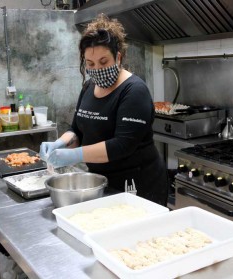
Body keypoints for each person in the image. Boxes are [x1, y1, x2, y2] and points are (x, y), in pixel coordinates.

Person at [40, 14, 169, 206]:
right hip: (103, 182)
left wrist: (75, 155)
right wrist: (60, 143)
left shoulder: (134, 91)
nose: (97, 69)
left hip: (137, 186)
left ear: (118, 56)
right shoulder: (89, 87)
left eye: (103, 61)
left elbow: (122, 145)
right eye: (90, 64)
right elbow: (76, 129)